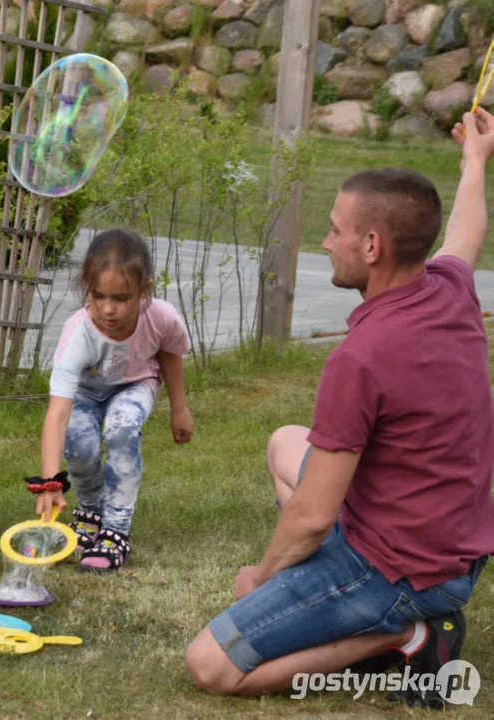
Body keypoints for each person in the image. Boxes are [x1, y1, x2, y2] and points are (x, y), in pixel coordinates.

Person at [185, 108, 494, 707]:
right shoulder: (450, 289)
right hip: (457, 546)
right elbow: (466, 232)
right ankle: (395, 612)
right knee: (284, 442)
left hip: (399, 571)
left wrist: (263, 576)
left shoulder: (360, 358)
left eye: (334, 230)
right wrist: (475, 162)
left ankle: (406, 632)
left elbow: (310, 518)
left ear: (372, 245)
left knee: (211, 666)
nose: (325, 241)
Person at [33, 229, 193, 572]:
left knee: (121, 428)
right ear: (87, 289)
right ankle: (91, 512)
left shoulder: (162, 317)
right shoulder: (78, 333)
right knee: (77, 439)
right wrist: (49, 483)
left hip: (134, 385)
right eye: (98, 296)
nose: (108, 309)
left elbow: (169, 352)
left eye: (121, 298)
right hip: (86, 394)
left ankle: (116, 528)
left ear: (144, 290)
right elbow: (58, 416)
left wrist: (178, 409)